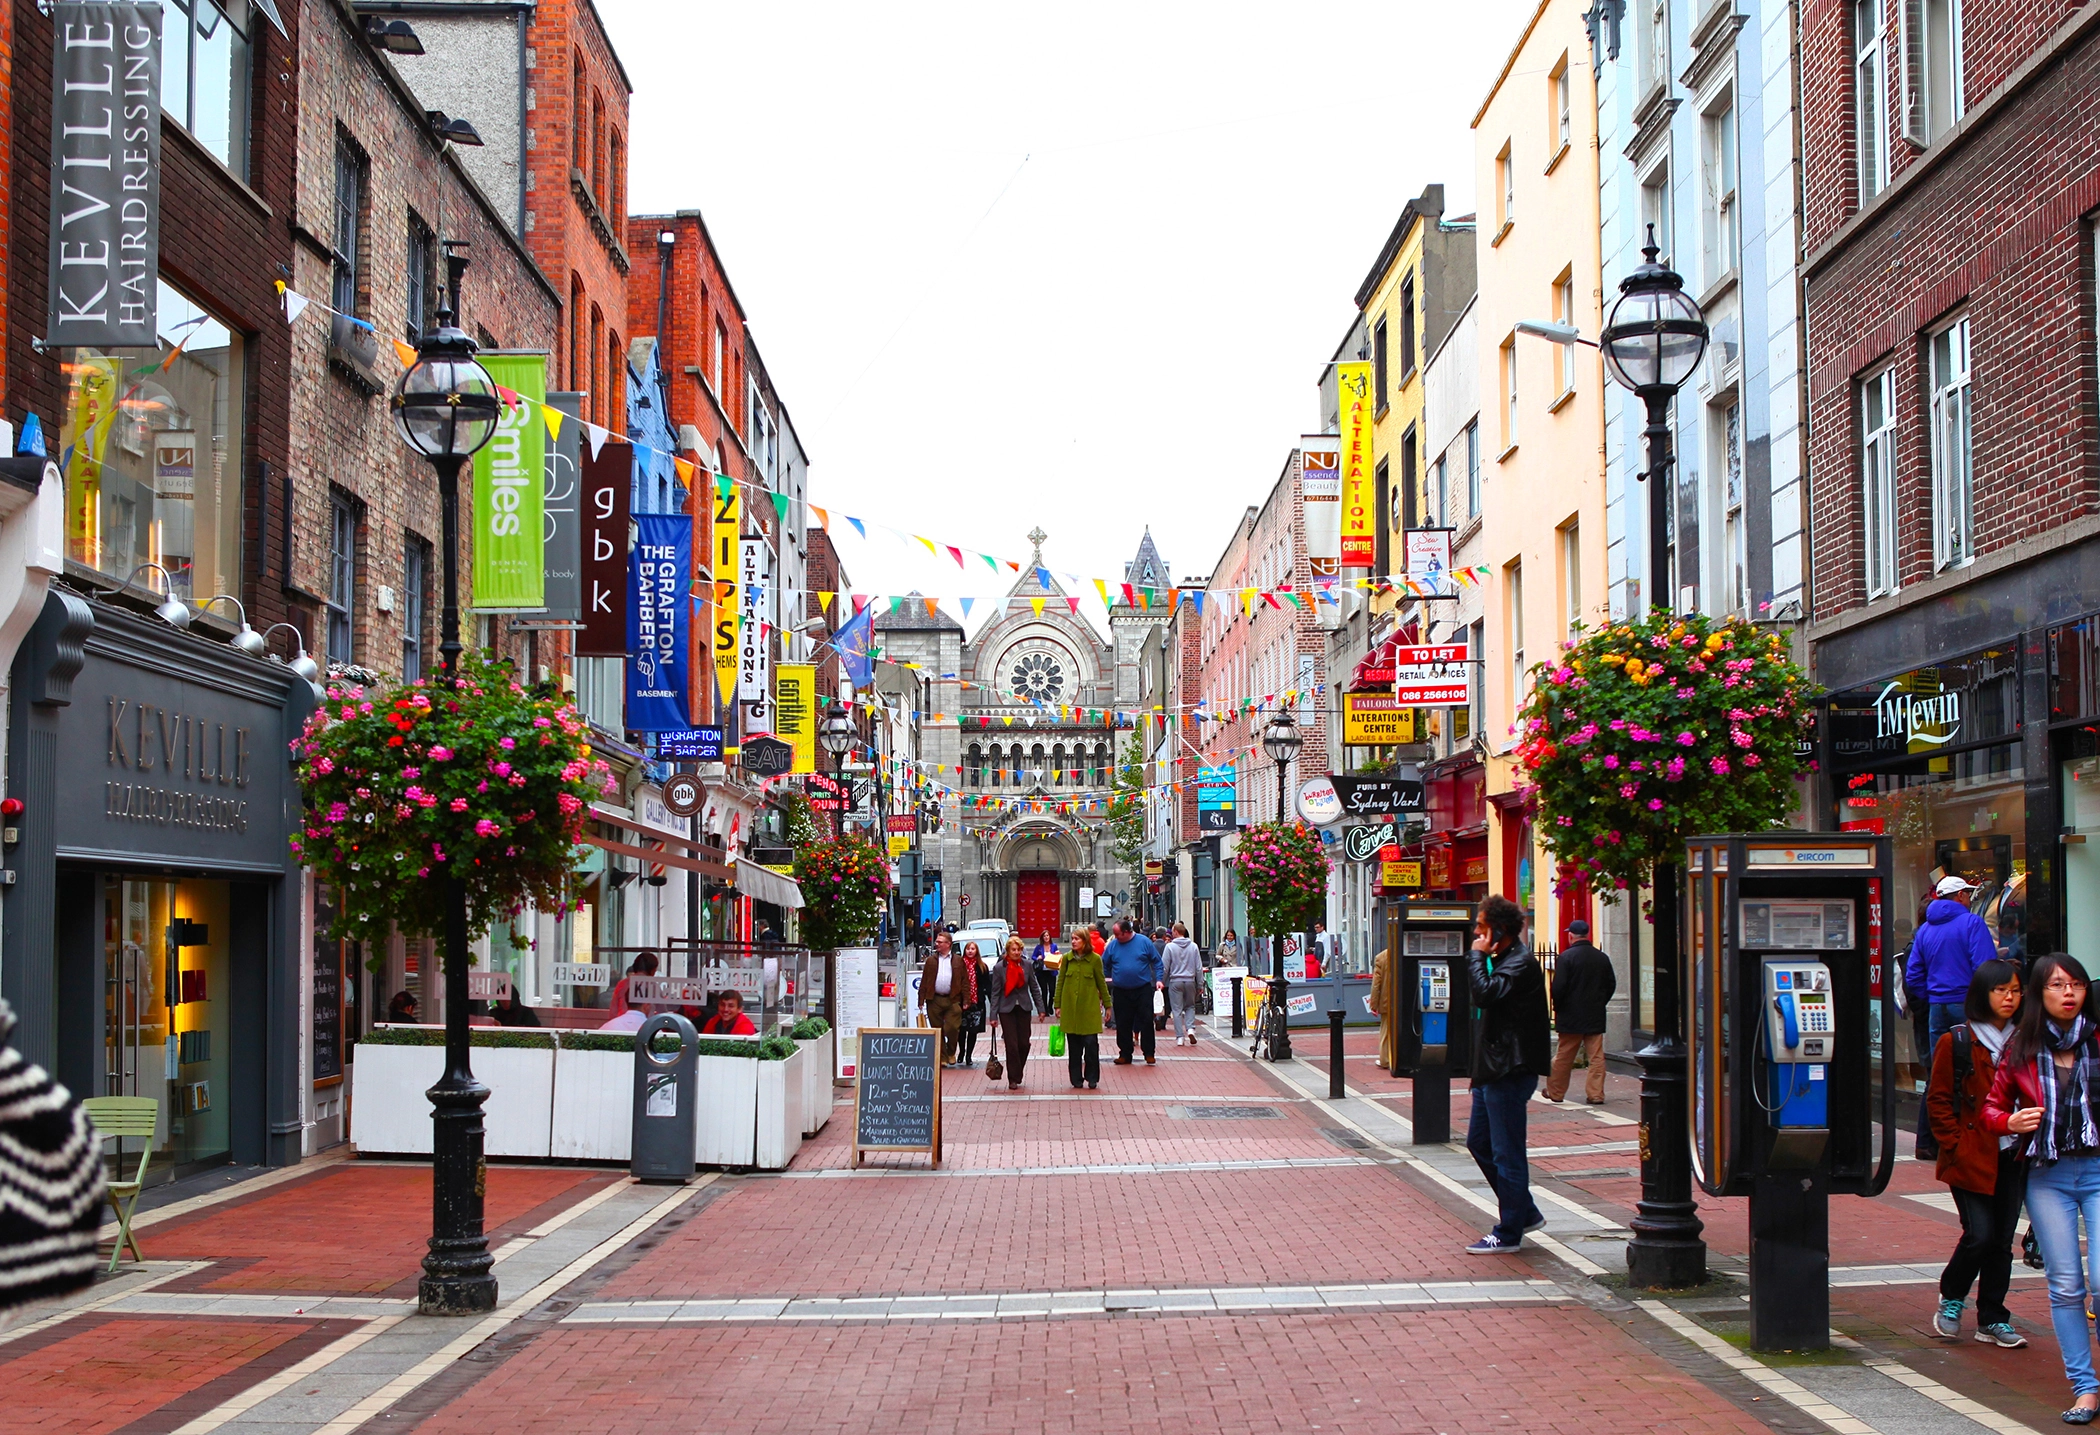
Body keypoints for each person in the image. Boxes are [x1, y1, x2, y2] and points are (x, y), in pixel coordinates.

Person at [1983, 953, 2100, 1422]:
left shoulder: (2096, 1040)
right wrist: (2009, 1120)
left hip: (2097, 1170)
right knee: (2067, 1286)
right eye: (2057, 985)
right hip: (2047, 1176)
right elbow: (1992, 1110)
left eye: (2076, 985)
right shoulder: (2021, 1049)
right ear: (2039, 993)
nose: (2068, 993)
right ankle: (2086, 1388)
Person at [1927, 958, 2028, 1348]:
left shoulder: (2025, 1040)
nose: (2010, 998)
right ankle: (1952, 1297)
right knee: (1978, 1235)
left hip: (2013, 1153)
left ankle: (1993, 1318)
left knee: (2002, 1240)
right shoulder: (1958, 1041)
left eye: (2016, 991)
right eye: (2001, 990)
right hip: (1971, 1153)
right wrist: (1954, 1143)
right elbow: (1937, 1101)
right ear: (1983, 994)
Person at [1463, 894, 1552, 1255]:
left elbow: (1485, 995)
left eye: (1482, 928)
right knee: (1478, 1142)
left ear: (1499, 930)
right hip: (1493, 1068)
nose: (1476, 933)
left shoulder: (1520, 964)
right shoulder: (1505, 960)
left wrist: (1477, 956)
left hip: (1509, 1069)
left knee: (1506, 1152)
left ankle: (1510, 1230)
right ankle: (1525, 1211)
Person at [1910, 875, 2002, 1158]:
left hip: (1937, 1007)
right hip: (1966, 1005)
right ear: (1960, 896)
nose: (1970, 898)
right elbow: (1985, 968)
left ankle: (1927, 1141)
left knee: (1939, 1071)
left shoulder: (1925, 929)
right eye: (1968, 894)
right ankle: (1973, 1140)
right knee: (1977, 1069)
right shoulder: (1972, 923)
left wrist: (1934, 996)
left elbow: (1914, 975)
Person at [1544, 919, 1615, 1104]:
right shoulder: (1601, 957)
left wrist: (1558, 1008)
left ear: (1571, 935)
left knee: (1563, 1057)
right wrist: (1600, 1002)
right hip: (1594, 1014)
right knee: (1596, 1057)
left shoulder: (1566, 957)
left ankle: (1556, 1092)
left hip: (1571, 1015)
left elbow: (1558, 988)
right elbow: (1611, 985)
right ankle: (1596, 1094)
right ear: (1587, 934)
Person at [1055, 927, 1111, 1089]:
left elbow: (1101, 983)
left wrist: (1108, 1005)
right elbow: (1061, 982)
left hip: (1089, 1010)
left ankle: (1092, 1077)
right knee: (1074, 1048)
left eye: (1077, 939)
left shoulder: (1095, 959)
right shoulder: (1066, 959)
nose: (1073, 941)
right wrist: (1057, 1004)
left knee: (1091, 1045)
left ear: (1085, 941)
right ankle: (1076, 1078)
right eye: (1072, 938)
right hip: (1071, 1010)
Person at [1103, 918, 1163, 1066]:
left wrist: (1159, 979)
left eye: (1118, 934)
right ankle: (1125, 1053)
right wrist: (1107, 979)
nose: (1116, 938)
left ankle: (1149, 1053)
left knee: (1146, 1021)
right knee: (1123, 1023)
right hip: (1121, 990)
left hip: (1142, 988)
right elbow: (1105, 963)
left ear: (1127, 932)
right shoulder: (1113, 946)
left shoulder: (1144, 942)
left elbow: (1157, 962)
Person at [919, 931, 978, 1068]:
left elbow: (965, 982)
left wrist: (966, 1000)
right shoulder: (931, 961)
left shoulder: (958, 960)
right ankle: (943, 1057)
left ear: (948, 944)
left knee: (952, 1027)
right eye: (937, 942)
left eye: (940, 942)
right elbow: (925, 980)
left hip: (953, 999)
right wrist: (921, 1000)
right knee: (937, 1029)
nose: (936, 944)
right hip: (934, 999)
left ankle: (951, 1051)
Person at [989, 937, 1037, 1090]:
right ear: (1008, 951)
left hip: (1023, 1007)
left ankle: (1018, 1070)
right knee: (1012, 1045)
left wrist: (1041, 1009)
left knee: (1024, 1043)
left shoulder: (1027, 966)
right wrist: (993, 1016)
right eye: (1013, 950)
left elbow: (1034, 988)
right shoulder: (999, 968)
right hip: (1006, 1009)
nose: (1016, 952)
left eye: (1018, 950)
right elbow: (995, 993)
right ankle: (1013, 1078)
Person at [1162, 922, 1204, 1046]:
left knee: (1176, 1009)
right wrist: (1200, 984)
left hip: (1175, 981)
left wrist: (1162, 982)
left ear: (1175, 932)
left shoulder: (1169, 947)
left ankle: (1180, 1037)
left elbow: (1165, 967)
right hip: (1190, 980)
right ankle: (1190, 1029)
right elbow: (1198, 967)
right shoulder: (1194, 946)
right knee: (1190, 1006)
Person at [956, 942, 991, 1068]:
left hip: (977, 1002)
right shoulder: (959, 965)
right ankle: (961, 1051)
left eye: (973, 949)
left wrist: (991, 1001)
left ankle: (969, 1055)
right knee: (961, 1030)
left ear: (977, 951)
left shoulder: (982, 967)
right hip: (962, 1002)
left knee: (973, 1031)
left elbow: (987, 985)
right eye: (968, 949)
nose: (970, 951)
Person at [608, 952, 660, 1020]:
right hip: (646, 1026)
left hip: (622, 1025)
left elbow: (613, 1012)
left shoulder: (622, 984)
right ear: (653, 970)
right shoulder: (653, 986)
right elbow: (662, 1012)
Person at [1030, 930, 1061, 1021]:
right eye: (1044, 936)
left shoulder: (1054, 946)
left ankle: (1050, 1005)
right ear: (1042, 938)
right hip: (1042, 972)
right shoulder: (1039, 947)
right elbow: (1033, 956)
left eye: (1047, 936)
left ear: (1050, 937)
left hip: (1051, 971)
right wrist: (1038, 957)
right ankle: (1045, 1010)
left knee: (1052, 990)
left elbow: (1058, 955)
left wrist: (1057, 954)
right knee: (1044, 991)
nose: (1046, 937)